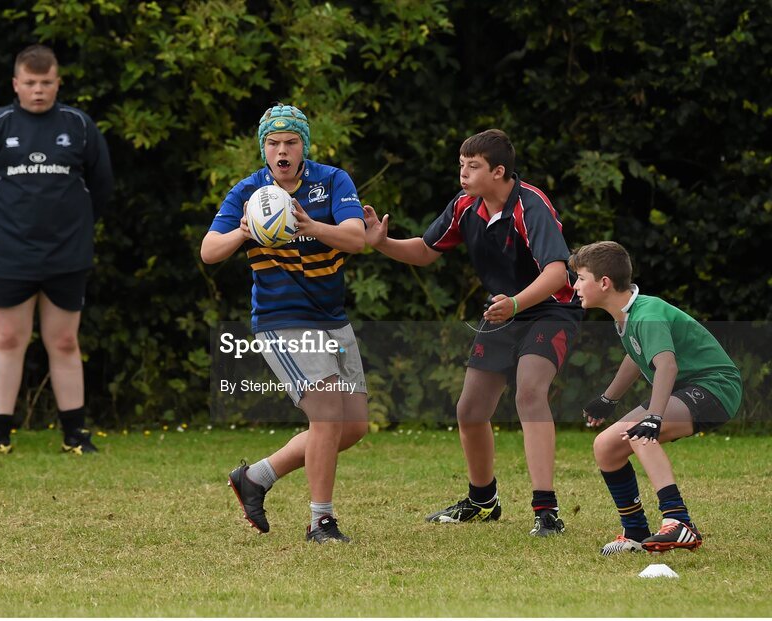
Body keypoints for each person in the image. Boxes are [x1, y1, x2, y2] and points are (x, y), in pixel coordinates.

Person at [364, 129, 583, 536]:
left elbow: (557, 273)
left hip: (551, 310)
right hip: (505, 311)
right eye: (461, 165)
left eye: (473, 166)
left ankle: (546, 511)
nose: (463, 173)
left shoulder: (530, 205)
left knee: (530, 392)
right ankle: (483, 501)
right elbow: (426, 251)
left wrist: (516, 303)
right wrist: (382, 243)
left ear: (499, 171)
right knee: (469, 410)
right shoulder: (465, 205)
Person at [201, 104, 368, 543]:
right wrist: (244, 232)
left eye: (290, 142)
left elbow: (357, 237)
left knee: (352, 426)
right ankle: (321, 522)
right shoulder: (249, 191)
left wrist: (312, 226)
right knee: (327, 413)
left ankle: (256, 477)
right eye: (273, 143)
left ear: (304, 146)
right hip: (281, 320)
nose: (281, 150)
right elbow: (209, 250)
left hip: (332, 318)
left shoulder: (333, 181)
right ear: (263, 149)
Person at [0, 44, 114, 456]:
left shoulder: (79, 125)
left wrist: (75, 226)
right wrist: (5, 227)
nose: (38, 90)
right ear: (16, 84)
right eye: (30, 83)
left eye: (46, 82)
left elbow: (101, 187)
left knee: (64, 341)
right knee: (9, 338)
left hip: (67, 254)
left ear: (57, 82)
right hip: (9, 254)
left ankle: (75, 434)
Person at [570, 241, 742, 554]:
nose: (575, 285)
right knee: (606, 447)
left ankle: (679, 521)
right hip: (690, 388)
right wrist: (608, 399)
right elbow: (637, 357)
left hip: (715, 387)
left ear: (604, 282)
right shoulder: (627, 314)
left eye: (581, 278)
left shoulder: (646, 312)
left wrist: (654, 417)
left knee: (639, 432)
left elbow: (666, 364)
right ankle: (635, 531)